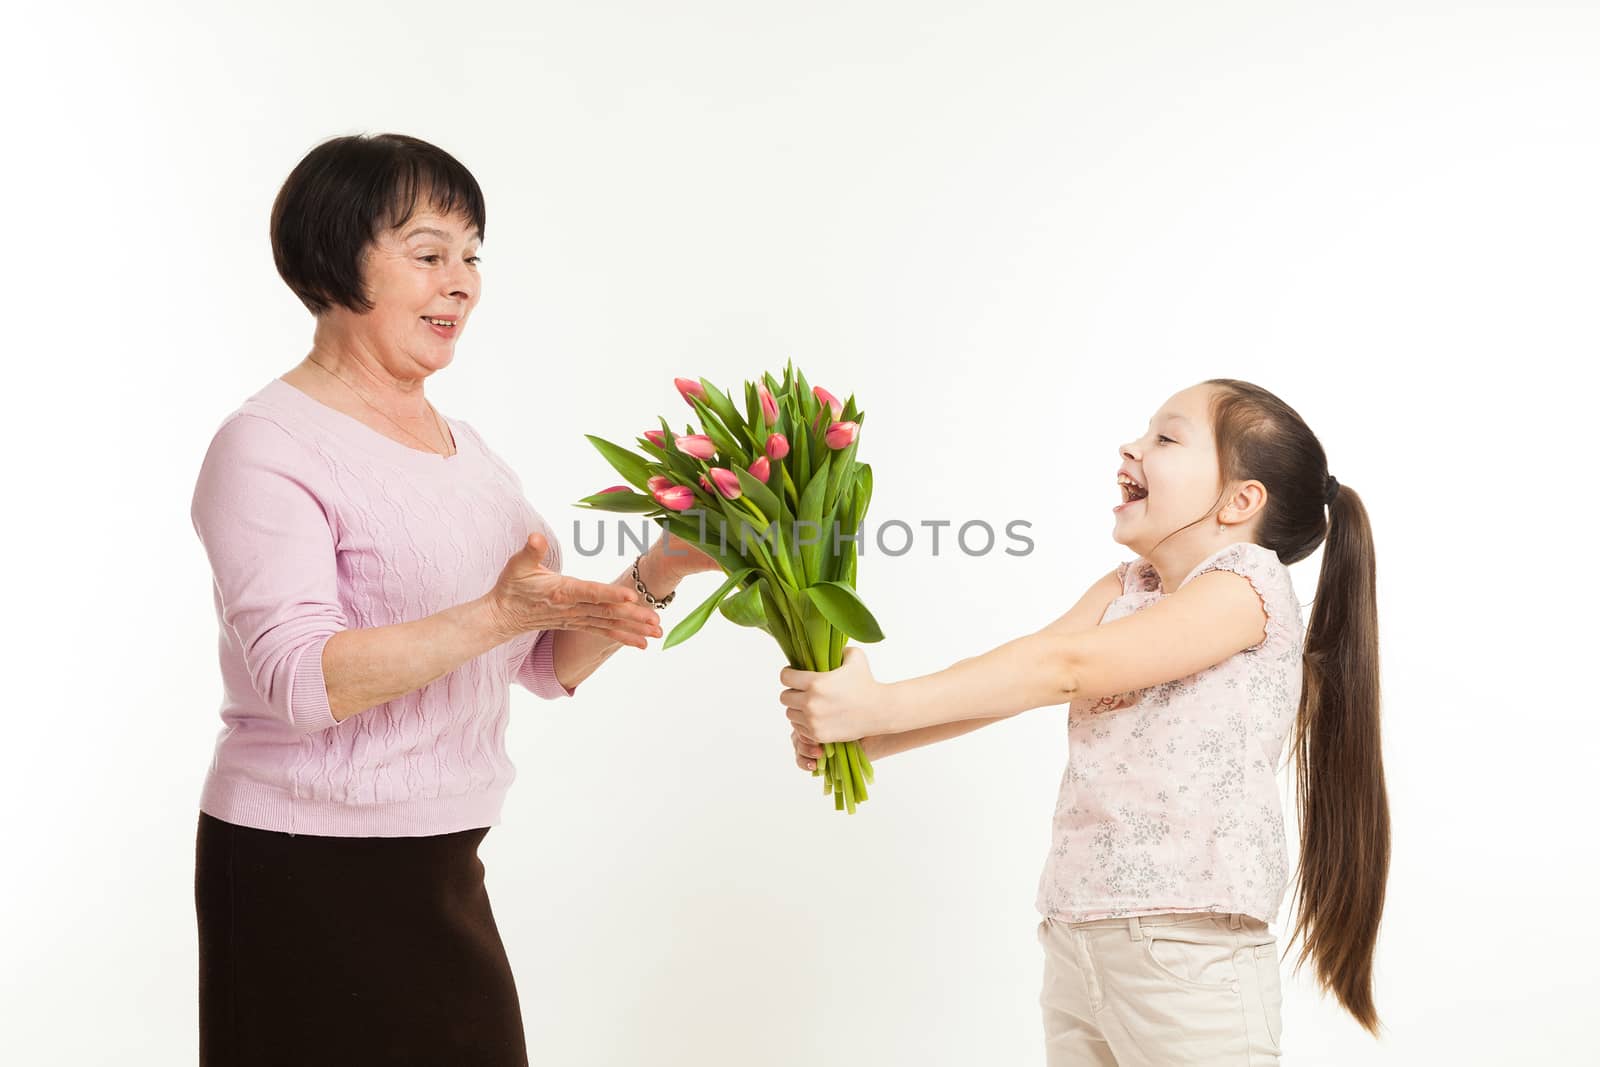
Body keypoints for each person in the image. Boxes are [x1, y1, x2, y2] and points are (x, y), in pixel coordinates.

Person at [189, 132, 719, 1066]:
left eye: (472, 255)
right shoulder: (267, 446)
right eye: (429, 253)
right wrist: (501, 614)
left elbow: (542, 660)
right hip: (303, 863)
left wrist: (666, 563)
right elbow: (300, 680)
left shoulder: (465, 447)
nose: (463, 281)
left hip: (441, 858)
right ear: (334, 258)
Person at [779, 379, 1389, 1065]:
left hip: (1186, 950)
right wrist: (873, 733)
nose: (1131, 446)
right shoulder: (1131, 587)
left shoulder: (1245, 588)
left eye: (1166, 436)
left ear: (1241, 500)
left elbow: (1064, 667)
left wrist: (882, 703)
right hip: (1078, 941)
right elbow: (1019, 679)